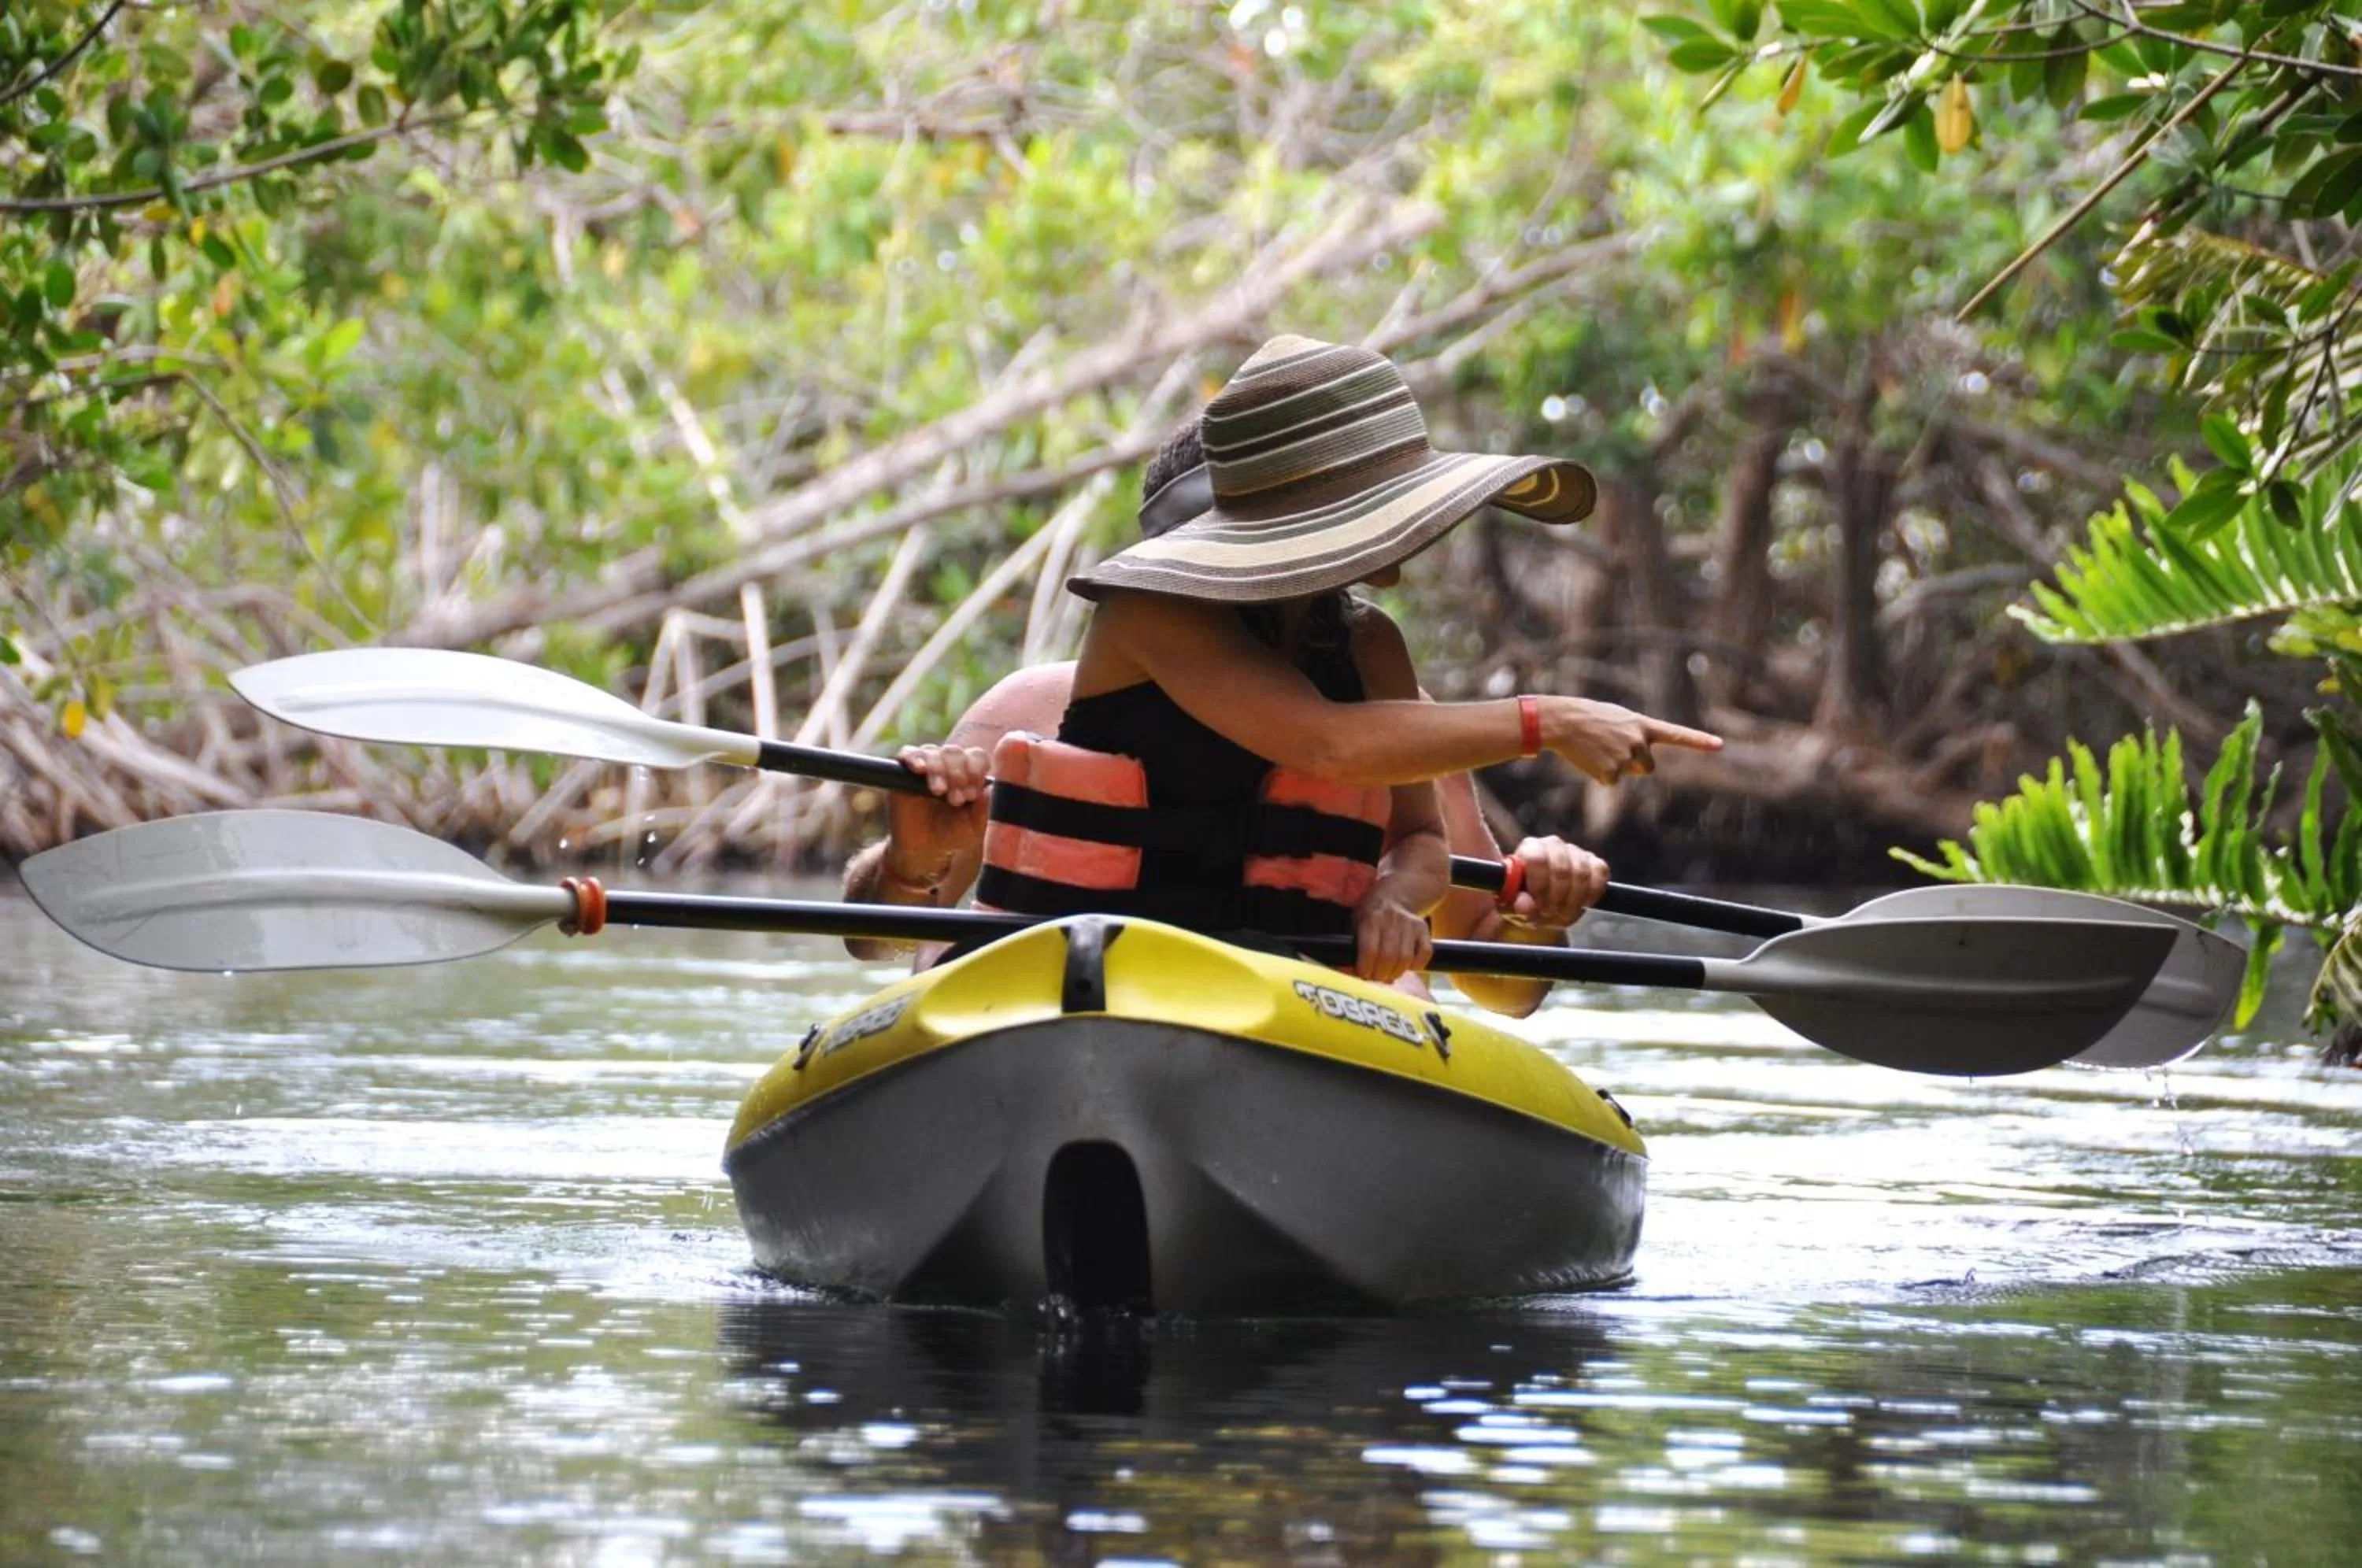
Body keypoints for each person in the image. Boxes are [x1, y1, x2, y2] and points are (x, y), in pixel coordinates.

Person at [853, 334, 1719, 1000]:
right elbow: (882, 939)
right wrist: (911, 864)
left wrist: (1503, 910)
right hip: (1067, 987)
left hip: (1286, 1008)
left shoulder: (1376, 666)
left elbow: (1505, 981)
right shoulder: (1063, 677)